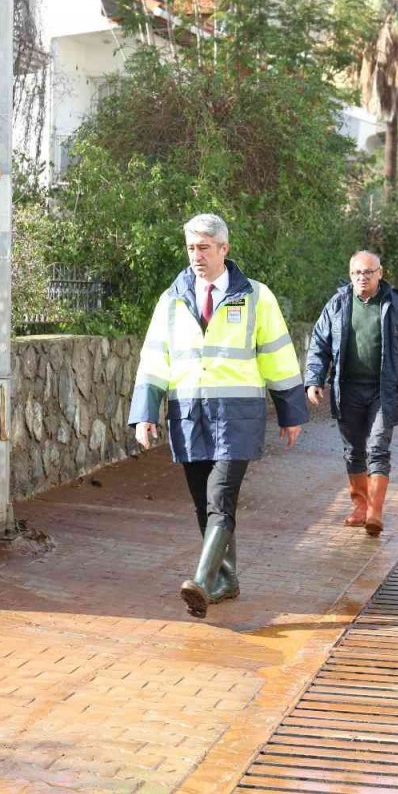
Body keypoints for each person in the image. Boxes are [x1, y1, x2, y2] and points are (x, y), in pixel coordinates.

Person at [129, 214, 308, 619]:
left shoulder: (256, 296)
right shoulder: (172, 299)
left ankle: (201, 580)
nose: (197, 256)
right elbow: (154, 358)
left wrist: (290, 411)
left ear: (224, 249)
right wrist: (145, 413)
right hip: (189, 414)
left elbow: (278, 354)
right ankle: (226, 579)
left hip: (237, 414)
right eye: (191, 248)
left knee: (220, 498)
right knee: (202, 503)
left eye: (205, 248)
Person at [305, 251, 398, 537]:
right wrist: (314, 380)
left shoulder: (396, 305)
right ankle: (360, 506)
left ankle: (375, 511)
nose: (363, 277)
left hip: (383, 391)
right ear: (351, 275)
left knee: (378, 448)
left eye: (368, 272)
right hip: (347, 389)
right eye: (357, 273)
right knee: (353, 451)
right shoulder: (338, 304)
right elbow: (320, 344)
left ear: (380, 273)